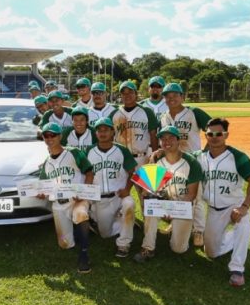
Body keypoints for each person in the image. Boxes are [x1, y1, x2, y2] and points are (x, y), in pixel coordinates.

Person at [194, 118, 250, 287]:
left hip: (235, 205)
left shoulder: (237, 156)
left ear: (226, 135)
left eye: (219, 133)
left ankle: (237, 269)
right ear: (206, 135)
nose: (214, 137)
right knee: (211, 253)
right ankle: (231, 239)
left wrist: (244, 207)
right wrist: (160, 153)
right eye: (210, 134)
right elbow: (179, 156)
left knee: (244, 225)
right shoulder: (200, 157)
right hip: (214, 211)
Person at [134, 126, 202, 263]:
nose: (167, 141)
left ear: (178, 140)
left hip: (183, 206)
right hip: (163, 201)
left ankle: (180, 228)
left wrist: (173, 210)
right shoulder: (156, 160)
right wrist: (149, 197)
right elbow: (147, 189)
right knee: (150, 208)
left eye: (171, 137)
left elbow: (191, 194)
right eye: (163, 138)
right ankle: (148, 248)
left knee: (178, 249)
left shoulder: (191, 162)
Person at [159, 82, 212, 246]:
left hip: (192, 160)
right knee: (174, 193)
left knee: (196, 197)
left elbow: (213, 128)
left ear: (182, 96)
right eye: (168, 96)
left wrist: (206, 151)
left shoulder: (193, 112)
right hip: (173, 161)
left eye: (175, 95)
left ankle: (198, 231)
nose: (171, 98)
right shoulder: (163, 116)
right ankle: (175, 224)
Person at [38, 122, 94, 273]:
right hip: (59, 203)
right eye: (46, 135)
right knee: (65, 244)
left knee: (80, 214)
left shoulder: (73, 152)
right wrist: (42, 193)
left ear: (60, 136)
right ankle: (80, 231)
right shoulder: (46, 163)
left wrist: (84, 191)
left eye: (53, 135)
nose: (50, 138)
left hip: (78, 199)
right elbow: (44, 186)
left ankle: (84, 253)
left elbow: (89, 172)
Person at [84, 118, 137, 258]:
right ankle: (124, 221)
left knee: (129, 204)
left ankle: (124, 244)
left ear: (112, 132)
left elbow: (134, 173)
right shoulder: (89, 151)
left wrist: (127, 189)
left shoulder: (122, 150)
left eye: (106, 130)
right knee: (105, 234)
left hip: (118, 196)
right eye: (99, 130)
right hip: (100, 198)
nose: (102, 133)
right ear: (95, 133)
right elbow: (83, 174)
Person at [109, 81, 158, 168]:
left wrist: (155, 156)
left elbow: (153, 136)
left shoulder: (147, 112)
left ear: (136, 94)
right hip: (120, 159)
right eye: (124, 93)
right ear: (121, 96)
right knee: (122, 182)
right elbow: (109, 136)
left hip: (142, 159)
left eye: (130, 92)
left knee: (143, 182)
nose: (127, 95)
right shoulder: (114, 114)